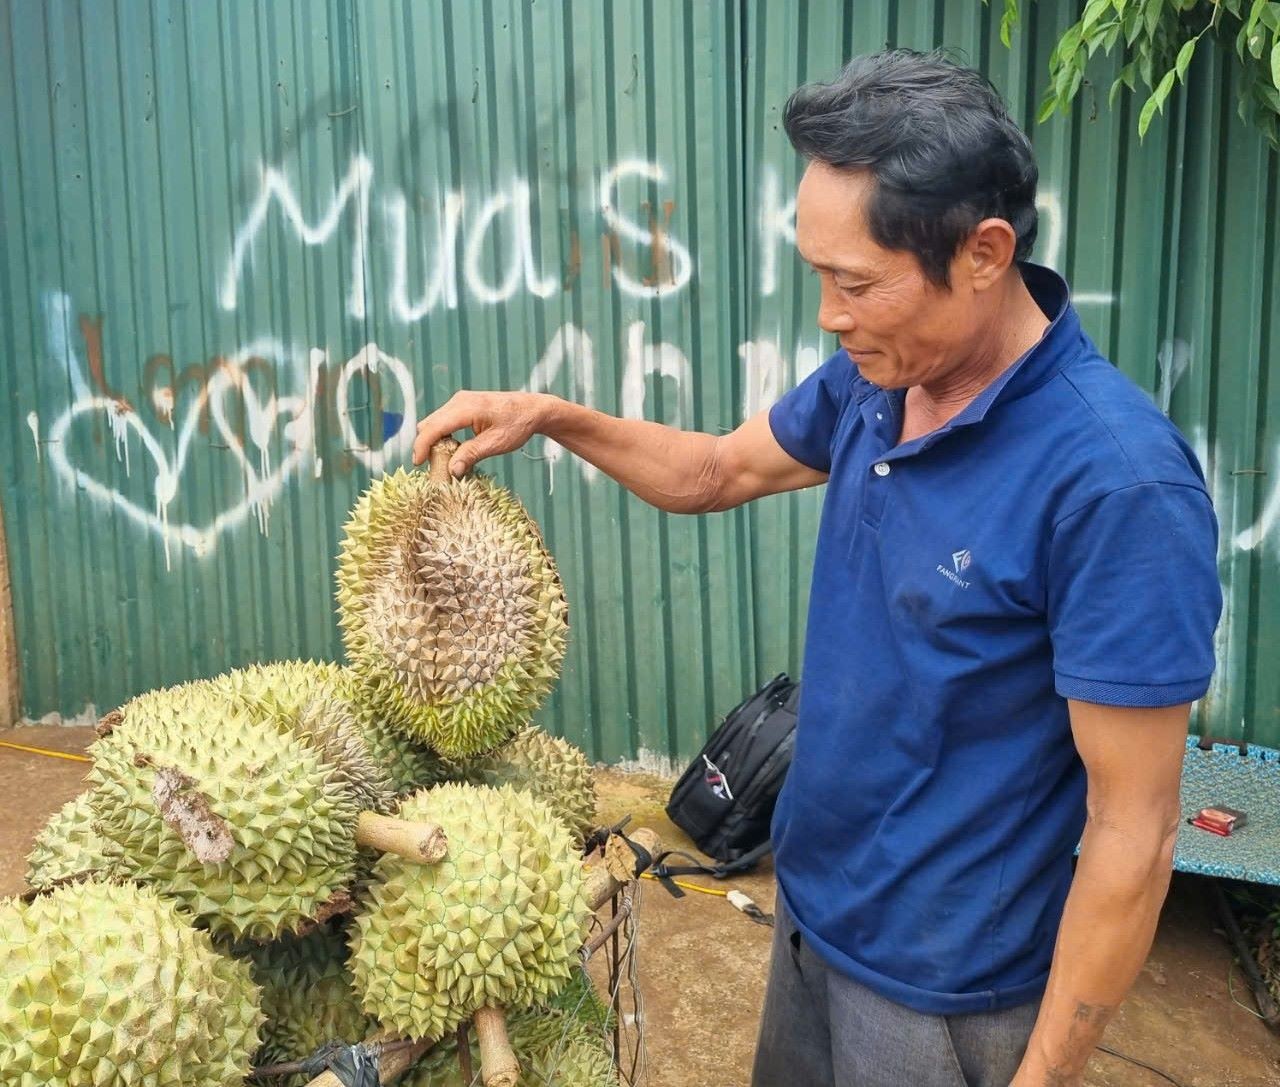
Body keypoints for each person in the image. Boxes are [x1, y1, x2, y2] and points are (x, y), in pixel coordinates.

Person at [412, 49, 1221, 1087]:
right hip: (811, 914)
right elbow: (712, 470)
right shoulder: (876, 381)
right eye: (819, 277)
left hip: (941, 994)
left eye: (858, 283)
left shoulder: (1114, 485)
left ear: (983, 252)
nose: (830, 316)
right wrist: (551, 416)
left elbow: (1133, 830)